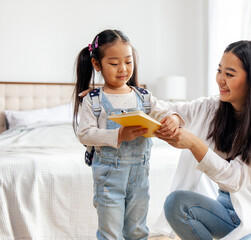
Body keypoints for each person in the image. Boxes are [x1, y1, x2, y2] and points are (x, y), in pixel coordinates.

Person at [154, 40, 251, 240]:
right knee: (176, 204)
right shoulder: (215, 107)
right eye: (219, 70)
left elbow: (234, 179)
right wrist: (174, 117)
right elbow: (173, 109)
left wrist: (194, 144)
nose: (220, 79)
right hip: (225, 210)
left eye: (229, 74)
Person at [73, 29, 182, 240]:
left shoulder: (144, 96)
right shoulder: (93, 100)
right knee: (110, 232)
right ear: (97, 65)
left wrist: (173, 118)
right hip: (108, 178)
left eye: (128, 62)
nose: (123, 69)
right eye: (114, 64)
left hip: (139, 176)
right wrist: (118, 135)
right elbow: (85, 134)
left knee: (138, 230)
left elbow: (165, 111)